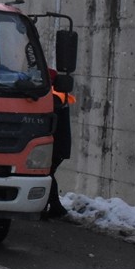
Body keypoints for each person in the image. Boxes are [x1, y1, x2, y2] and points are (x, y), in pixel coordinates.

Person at [44, 75, 75, 219]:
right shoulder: (57, 96)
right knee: (48, 173)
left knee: (46, 173)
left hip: (56, 145)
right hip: (58, 145)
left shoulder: (53, 98)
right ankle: (53, 207)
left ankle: (53, 206)